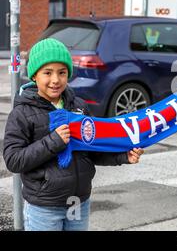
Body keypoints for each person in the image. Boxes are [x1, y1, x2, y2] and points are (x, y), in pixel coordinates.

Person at [2, 38, 144, 231]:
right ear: (34, 75)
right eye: (47, 73)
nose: (55, 80)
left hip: (79, 202)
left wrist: (121, 156)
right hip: (44, 207)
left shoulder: (79, 107)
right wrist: (53, 142)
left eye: (62, 72)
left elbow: (92, 150)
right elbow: (14, 160)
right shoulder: (22, 113)